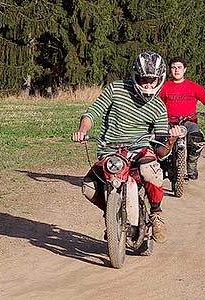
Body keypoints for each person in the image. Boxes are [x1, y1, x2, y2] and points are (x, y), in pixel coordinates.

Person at [72, 51, 181, 244]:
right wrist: (82, 130)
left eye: (152, 80)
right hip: (110, 150)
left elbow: (161, 151)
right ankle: (112, 215)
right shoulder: (115, 89)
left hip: (140, 150)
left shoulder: (158, 107)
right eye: (143, 79)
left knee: (151, 170)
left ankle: (156, 214)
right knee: (88, 187)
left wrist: (171, 139)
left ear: (160, 79)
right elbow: (92, 113)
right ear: (135, 76)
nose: (148, 84)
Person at [159, 56, 205, 180]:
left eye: (179, 67)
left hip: (189, 121)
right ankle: (164, 166)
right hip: (169, 122)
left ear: (184, 69)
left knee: (197, 139)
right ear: (170, 70)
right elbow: (156, 104)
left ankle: (191, 164)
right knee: (160, 141)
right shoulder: (164, 87)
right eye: (173, 68)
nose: (176, 70)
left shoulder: (193, 86)